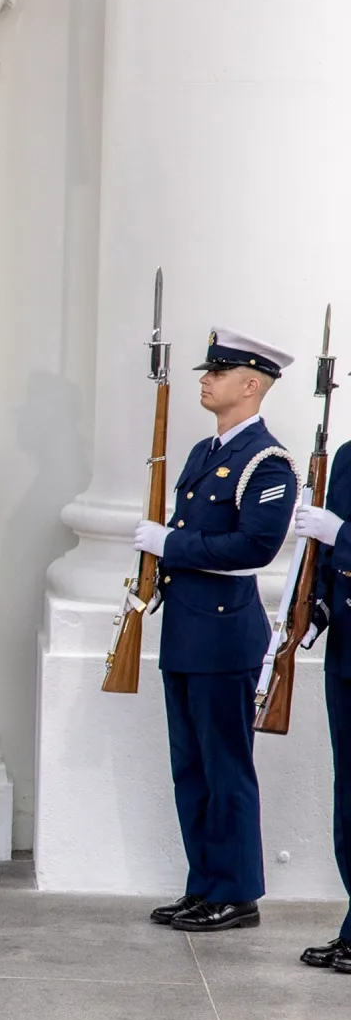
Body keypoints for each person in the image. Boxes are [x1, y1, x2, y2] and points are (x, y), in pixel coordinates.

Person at [135, 329, 298, 933]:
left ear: (251, 384)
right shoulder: (206, 452)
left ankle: (237, 893)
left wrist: (171, 543)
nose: (206, 379)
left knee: (226, 767)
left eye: (220, 373)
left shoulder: (267, 461)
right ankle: (204, 884)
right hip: (185, 630)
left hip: (225, 635)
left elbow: (255, 546)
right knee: (191, 767)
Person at [291, 436, 351, 971]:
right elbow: (329, 563)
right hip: (347, 654)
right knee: (349, 801)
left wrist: (345, 536)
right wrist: (316, 609)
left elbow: (341, 541)